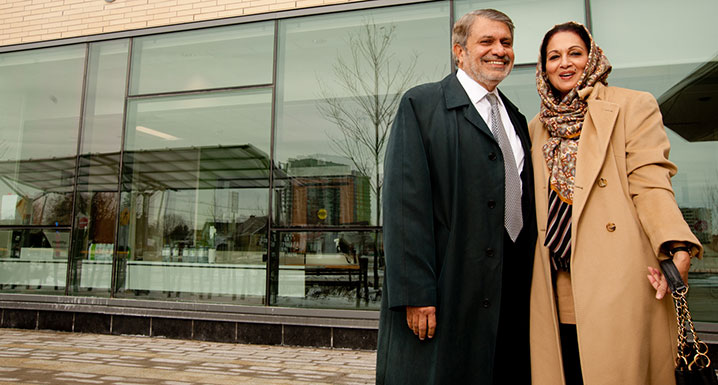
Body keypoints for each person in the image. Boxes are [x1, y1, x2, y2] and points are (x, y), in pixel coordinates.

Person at [528, 21, 703, 385]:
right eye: (553, 56)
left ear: (592, 59)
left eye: (575, 53)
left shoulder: (631, 106)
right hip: (554, 282)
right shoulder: (535, 127)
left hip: (617, 279)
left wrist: (676, 244)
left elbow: (650, 181)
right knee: (568, 370)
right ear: (543, 66)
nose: (565, 63)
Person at [376, 9, 536, 384]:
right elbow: (404, 206)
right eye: (487, 41)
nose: (499, 50)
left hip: (508, 290)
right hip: (445, 291)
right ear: (459, 51)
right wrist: (415, 291)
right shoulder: (422, 105)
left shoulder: (515, 118)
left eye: (506, 43)